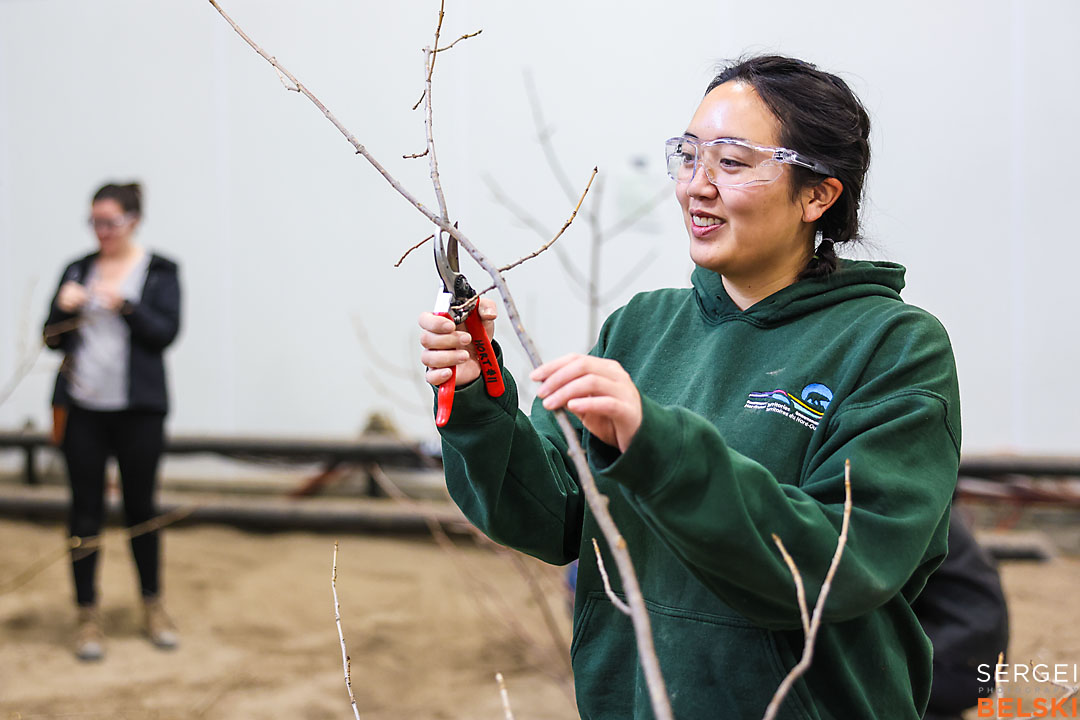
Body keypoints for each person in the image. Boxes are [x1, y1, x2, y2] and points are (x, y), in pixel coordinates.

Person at [419, 55, 961, 719]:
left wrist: (659, 444)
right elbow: (552, 517)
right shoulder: (641, 327)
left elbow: (839, 566)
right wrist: (477, 403)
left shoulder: (893, 346)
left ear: (819, 194)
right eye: (688, 155)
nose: (695, 187)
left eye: (731, 163)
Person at [43, 182, 182, 661]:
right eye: (95, 223)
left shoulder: (160, 271)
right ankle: (87, 615)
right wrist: (61, 311)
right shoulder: (77, 269)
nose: (101, 232)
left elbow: (165, 333)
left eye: (110, 222)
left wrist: (123, 304)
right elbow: (51, 338)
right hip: (82, 410)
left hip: (139, 412)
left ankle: (153, 606)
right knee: (84, 511)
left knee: (141, 508)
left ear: (133, 221)